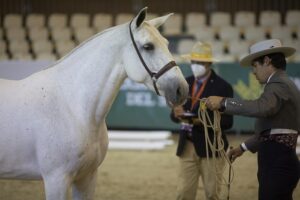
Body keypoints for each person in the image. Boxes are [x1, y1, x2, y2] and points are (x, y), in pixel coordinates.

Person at [206, 39, 300, 200]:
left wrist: (223, 102)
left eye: (255, 66)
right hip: (281, 161)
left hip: (277, 162)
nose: (253, 72)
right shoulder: (284, 83)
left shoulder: (278, 84)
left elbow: (263, 108)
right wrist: (242, 148)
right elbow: (274, 131)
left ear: (267, 61)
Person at [170, 42, 233, 200]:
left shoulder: (223, 87)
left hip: (211, 147)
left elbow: (227, 122)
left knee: (213, 194)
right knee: (183, 193)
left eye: (200, 62)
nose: (196, 65)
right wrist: (175, 112)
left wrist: (201, 121)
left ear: (209, 63)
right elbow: (173, 115)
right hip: (187, 146)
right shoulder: (185, 82)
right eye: (193, 62)